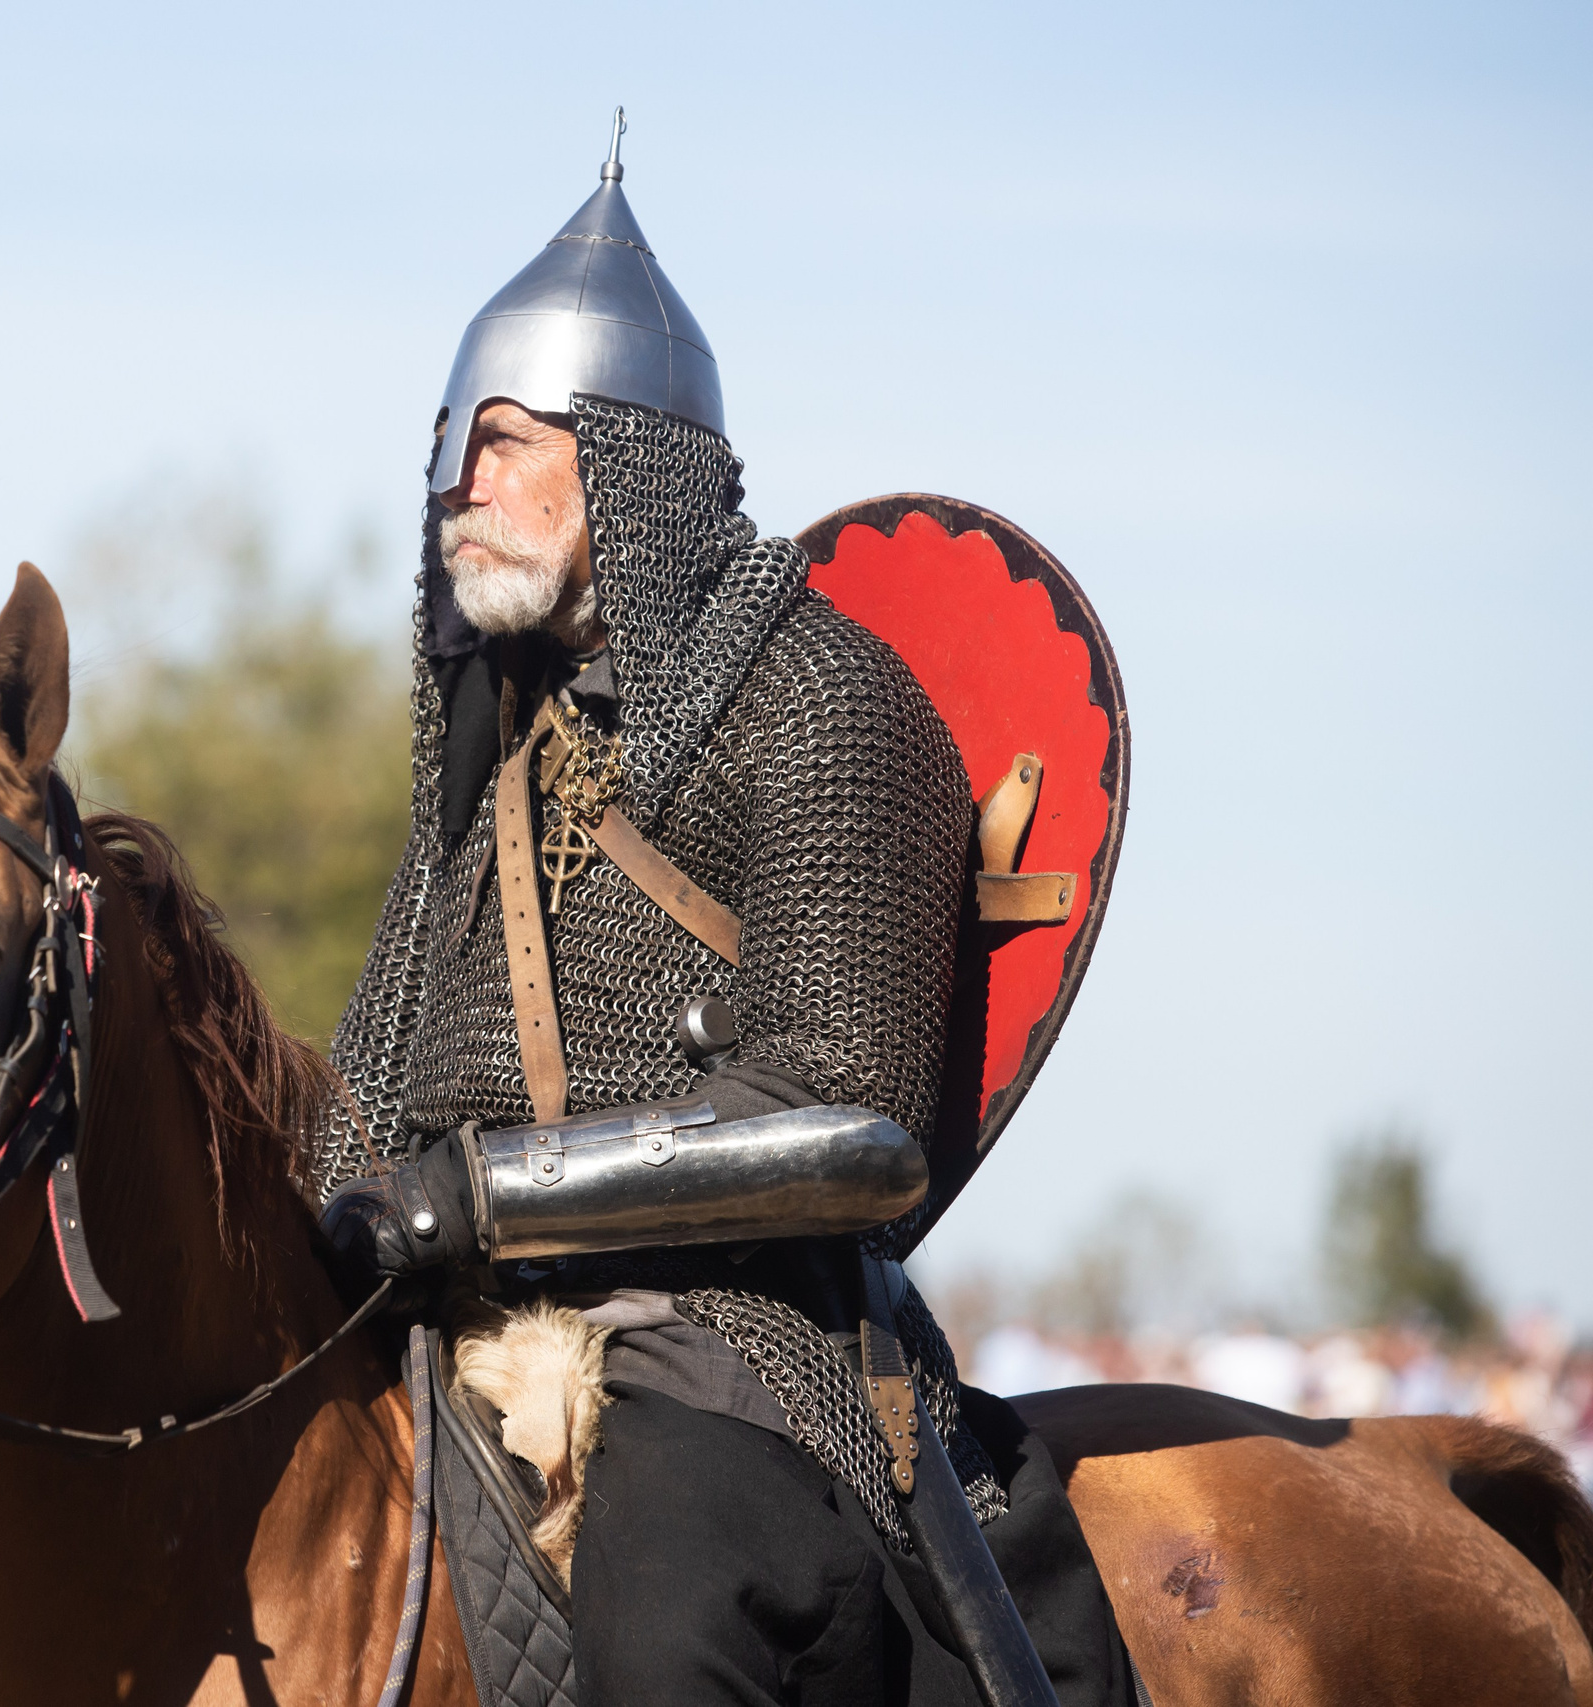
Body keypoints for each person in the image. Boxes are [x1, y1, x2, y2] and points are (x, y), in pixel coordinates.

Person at [310, 117, 1138, 1707]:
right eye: (450, 444)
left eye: (508, 442)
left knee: (665, 1619)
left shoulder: (823, 701)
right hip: (451, 1324)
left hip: (728, 1335)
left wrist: (474, 1201)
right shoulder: (495, 744)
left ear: (631, 463)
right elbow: (378, 1086)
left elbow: (845, 1117)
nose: (458, 485)